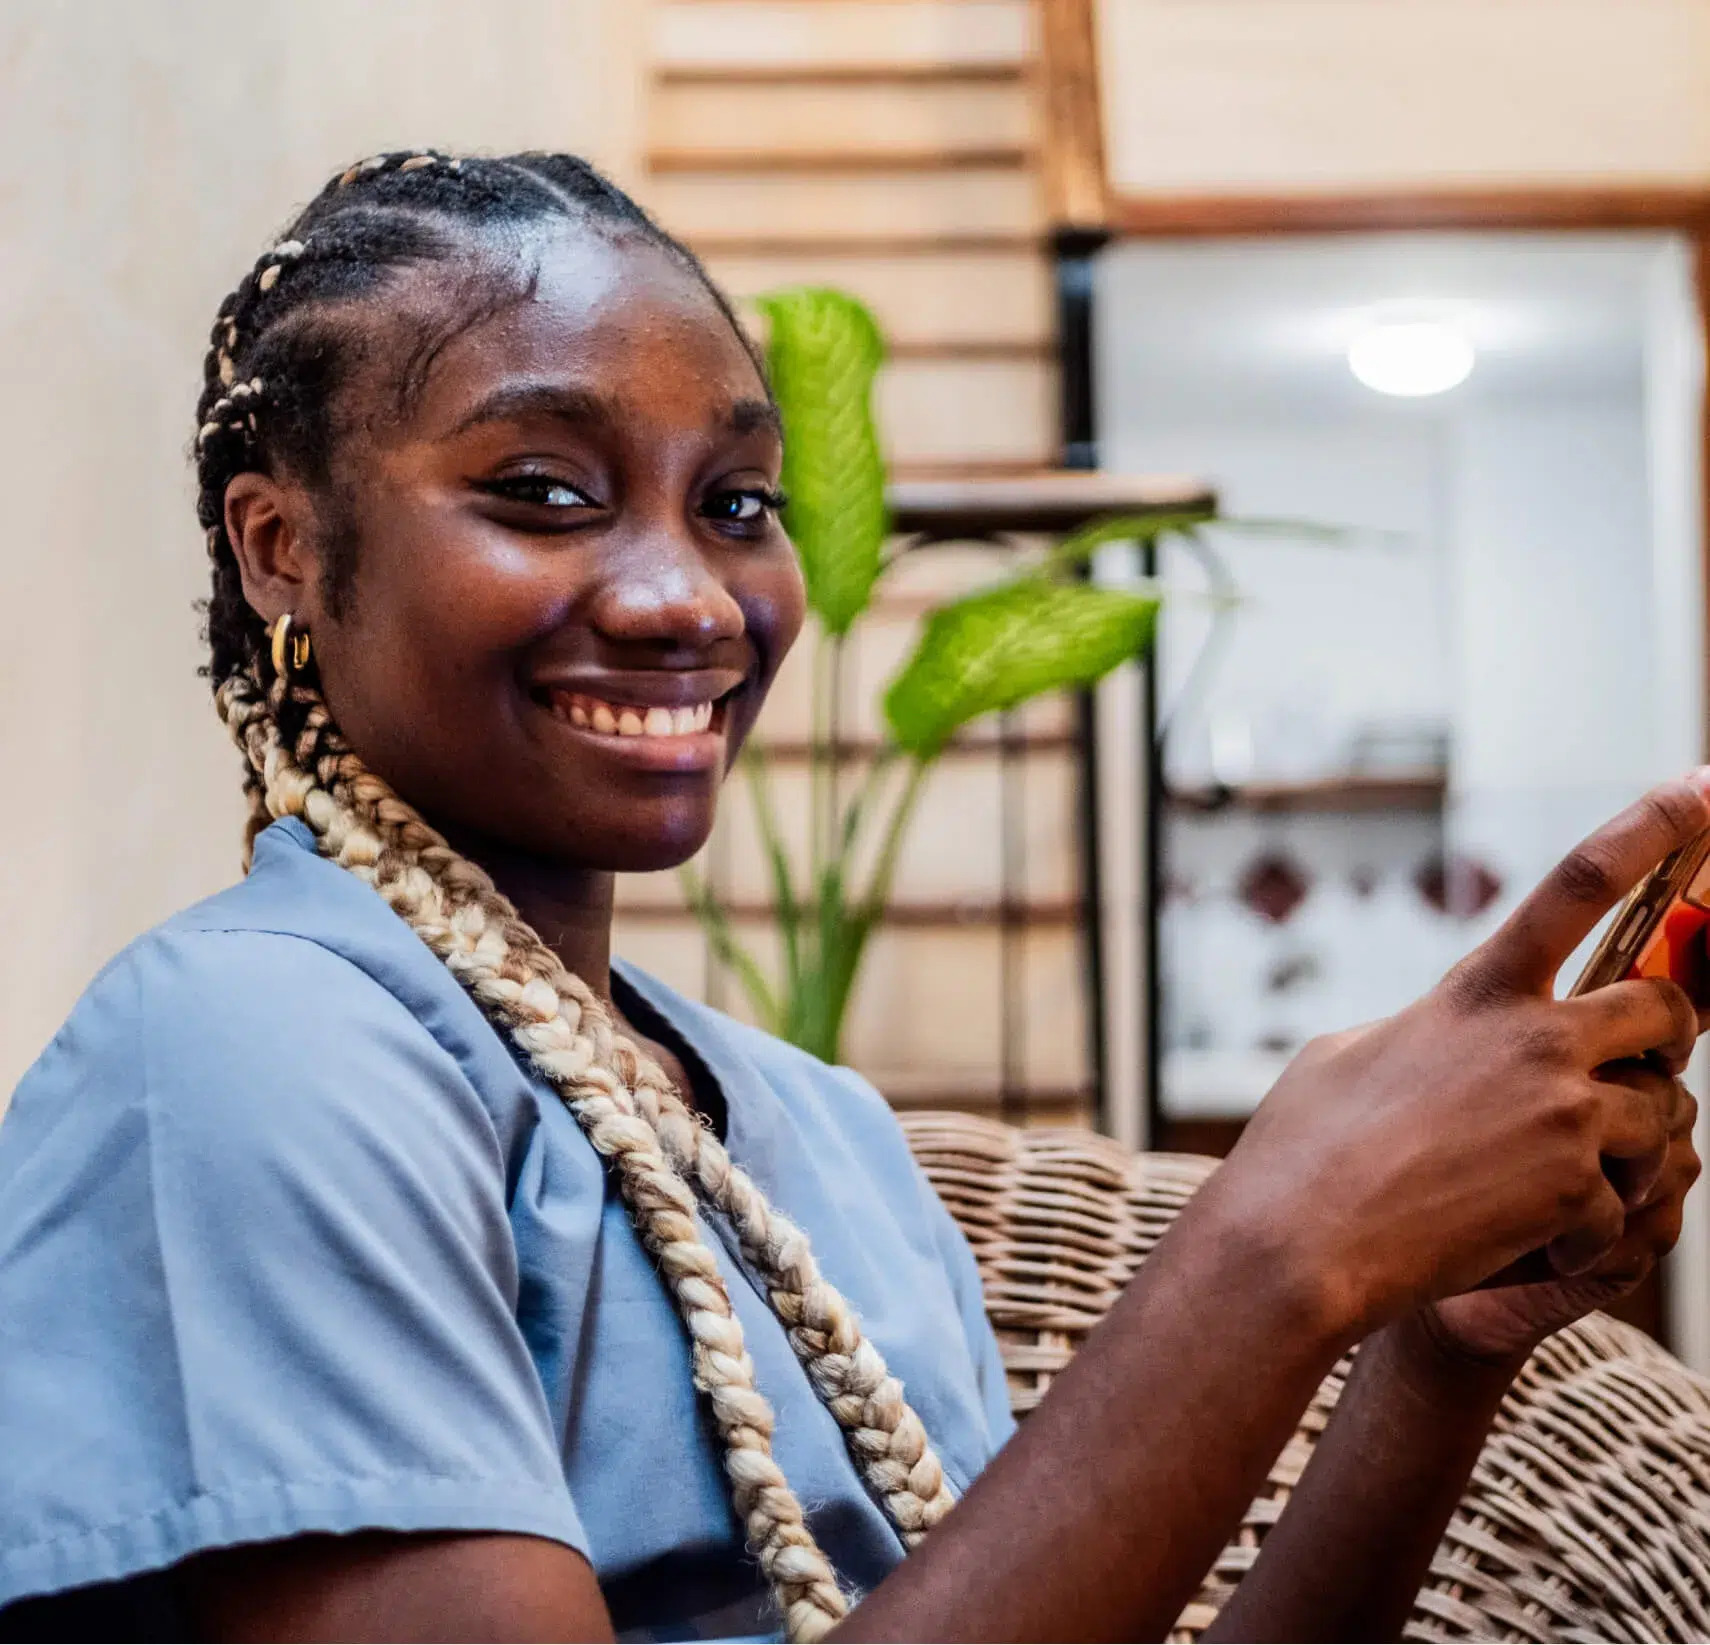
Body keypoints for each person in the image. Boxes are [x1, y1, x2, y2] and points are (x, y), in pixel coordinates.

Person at [0, 148, 1701, 1645]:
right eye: (542, 494)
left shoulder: (818, 1140)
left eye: (737, 505)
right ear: (279, 545)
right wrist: (1268, 1247)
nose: (687, 597)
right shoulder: (244, 1054)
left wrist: (1428, 1359)